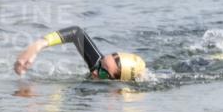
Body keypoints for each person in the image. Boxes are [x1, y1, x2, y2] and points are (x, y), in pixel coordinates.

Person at [14, 26, 146, 81]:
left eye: (103, 72)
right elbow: (76, 33)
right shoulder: (97, 66)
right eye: (100, 63)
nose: (94, 71)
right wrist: (37, 46)